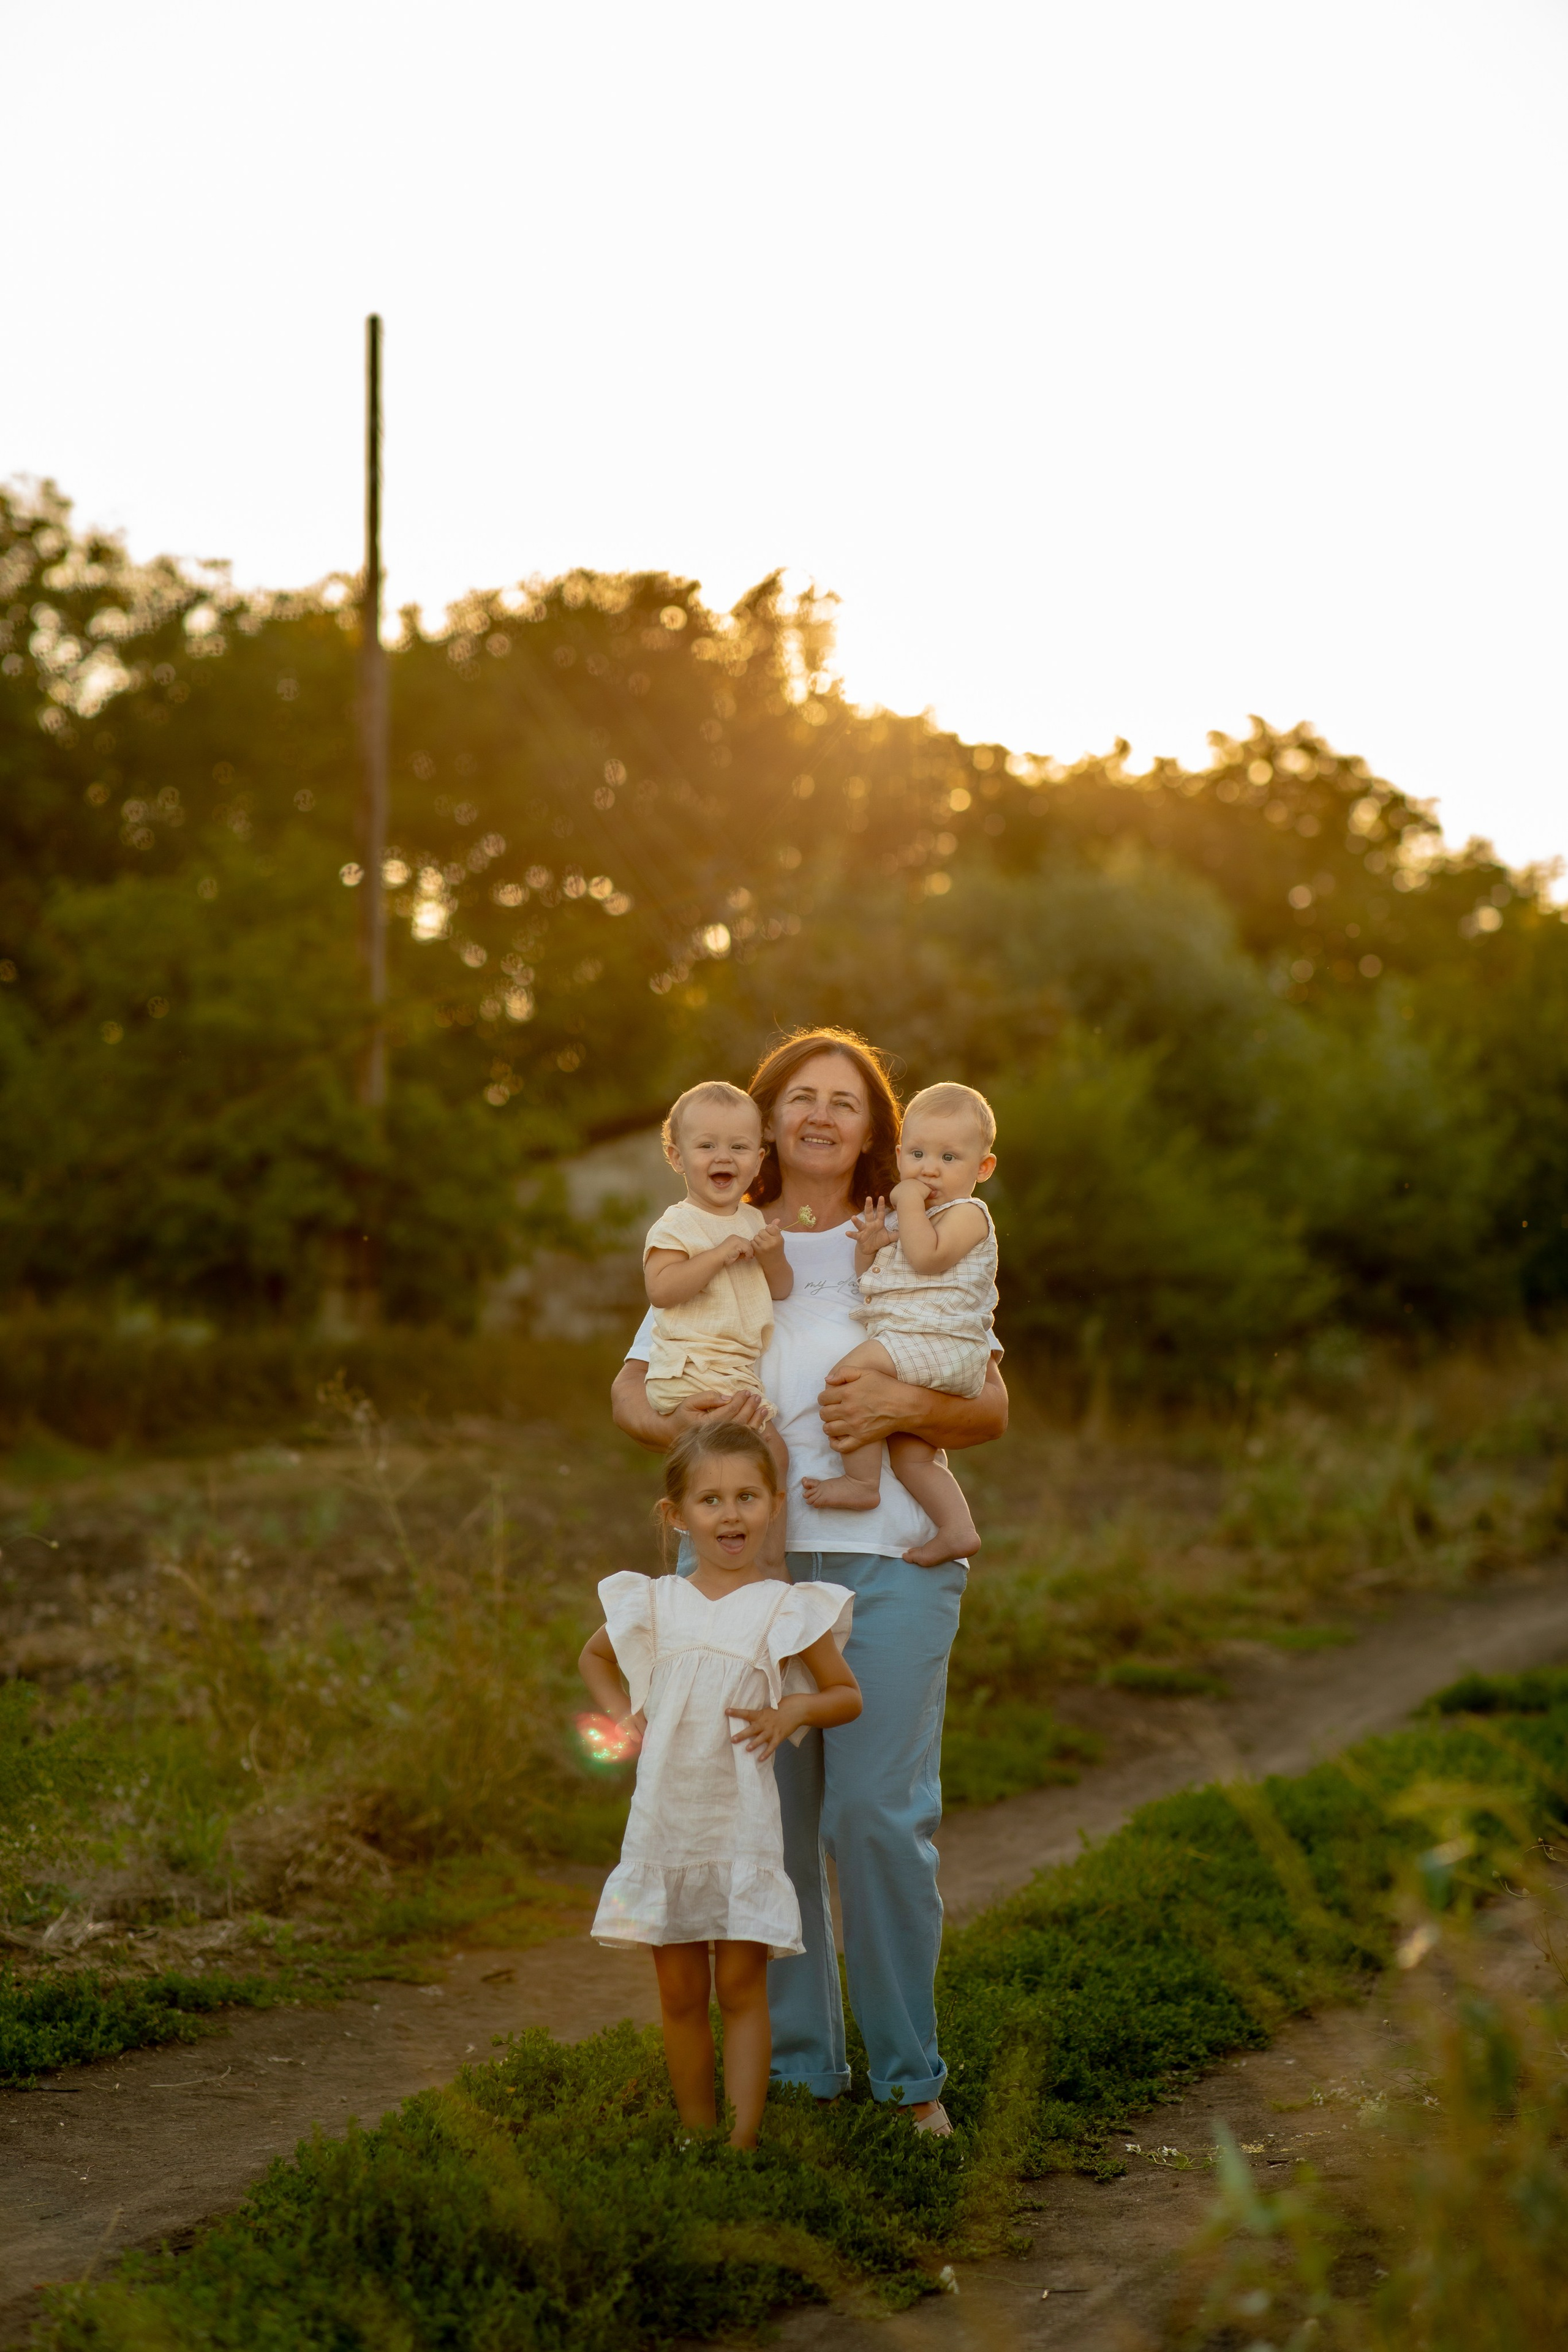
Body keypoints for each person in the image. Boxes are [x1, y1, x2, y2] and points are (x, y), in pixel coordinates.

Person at [611, 1027, 1008, 2133]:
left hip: (887, 1566)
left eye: (846, 1099)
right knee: (762, 1825)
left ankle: (909, 2083)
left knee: (877, 1821)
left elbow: (987, 1405)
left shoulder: (915, 1237)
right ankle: (793, 2071)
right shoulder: (718, 1232)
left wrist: (901, 1411)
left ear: (876, 1125)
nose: (822, 1114)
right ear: (769, 1117)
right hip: (739, 1576)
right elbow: (633, 1395)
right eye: (800, 1097)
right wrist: (681, 1419)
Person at [579, 1420, 860, 2148]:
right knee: (678, 1993)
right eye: (709, 1500)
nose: (729, 1515)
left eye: (745, 1497)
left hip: (739, 1827)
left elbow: (844, 1695)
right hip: (667, 1825)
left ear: (772, 1504)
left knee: (740, 1989)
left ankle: (739, 2146)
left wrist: (792, 1707)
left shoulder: (783, 1610)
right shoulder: (654, 1604)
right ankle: (696, 2137)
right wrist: (623, 1718)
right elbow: (593, 1658)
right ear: (677, 1516)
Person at [800, 1081, 998, 1570]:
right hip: (916, 1344)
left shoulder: (969, 1214)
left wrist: (906, 1205)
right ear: (899, 1153)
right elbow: (878, 1284)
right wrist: (871, 1247)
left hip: (940, 1343)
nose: (930, 1168)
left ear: (983, 1168)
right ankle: (958, 1528)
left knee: (847, 1375)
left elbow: (928, 1260)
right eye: (918, 1153)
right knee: (912, 1455)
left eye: (950, 1158)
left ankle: (863, 1484)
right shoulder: (915, 1220)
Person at [641, 1080, 793, 1569]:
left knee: (750, 1463)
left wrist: (772, 1258)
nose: (722, 1156)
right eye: (706, 1145)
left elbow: (782, 1289)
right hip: (694, 1367)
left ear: (758, 1157)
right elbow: (662, 1289)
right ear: (677, 1156)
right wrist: (716, 1256)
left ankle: (749, 1561)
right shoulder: (678, 1225)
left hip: (730, 1368)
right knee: (765, 1454)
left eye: (739, 1146)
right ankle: (760, 1567)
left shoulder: (750, 1221)